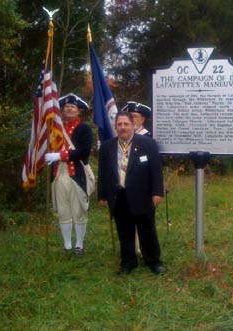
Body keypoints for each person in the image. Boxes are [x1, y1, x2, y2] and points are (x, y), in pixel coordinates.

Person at [98, 111, 165, 275]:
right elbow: (103, 172)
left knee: (147, 229)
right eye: (119, 125)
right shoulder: (107, 147)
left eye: (126, 124)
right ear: (115, 127)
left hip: (142, 195)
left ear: (133, 125)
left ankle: (153, 261)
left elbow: (156, 170)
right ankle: (128, 263)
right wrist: (102, 195)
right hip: (119, 195)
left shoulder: (148, 144)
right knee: (124, 231)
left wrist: (157, 192)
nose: (122, 127)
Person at [45, 93, 93, 256]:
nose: (69, 109)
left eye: (73, 107)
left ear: (78, 110)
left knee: (79, 211)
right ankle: (67, 245)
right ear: (62, 110)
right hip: (59, 174)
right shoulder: (56, 129)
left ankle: (79, 245)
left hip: (76, 174)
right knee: (63, 211)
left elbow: (84, 151)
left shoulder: (84, 129)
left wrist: (61, 156)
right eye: (66, 107)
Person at [121, 101, 153, 257]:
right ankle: (131, 248)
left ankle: (143, 249)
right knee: (127, 220)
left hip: (143, 186)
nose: (132, 120)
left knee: (143, 221)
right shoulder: (123, 137)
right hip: (125, 185)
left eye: (135, 117)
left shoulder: (148, 137)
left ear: (143, 119)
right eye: (130, 116)